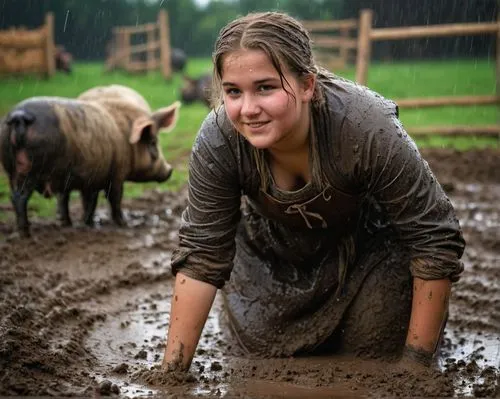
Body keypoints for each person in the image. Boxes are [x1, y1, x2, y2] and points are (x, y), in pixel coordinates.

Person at [162, 11, 465, 372]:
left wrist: (416, 366)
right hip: (270, 257)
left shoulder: (366, 128)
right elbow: (202, 255)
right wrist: (172, 373)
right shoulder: (218, 140)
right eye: (233, 92)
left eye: (265, 87)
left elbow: (434, 236)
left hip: (370, 255)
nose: (248, 109)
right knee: (262, 357)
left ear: (307, 85)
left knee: (372, 352)